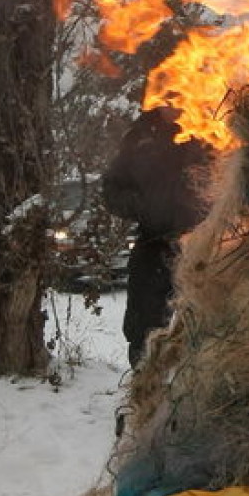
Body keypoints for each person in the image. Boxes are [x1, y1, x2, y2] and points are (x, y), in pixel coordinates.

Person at [102, 106, 213, 367]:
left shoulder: (209, 124)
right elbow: (112, 188)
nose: (174, 103)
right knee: (145, 329)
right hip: (154, 245)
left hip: (206, 246)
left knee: (206, 325)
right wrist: (144, 207)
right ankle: (146, 392)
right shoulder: (141, 135)